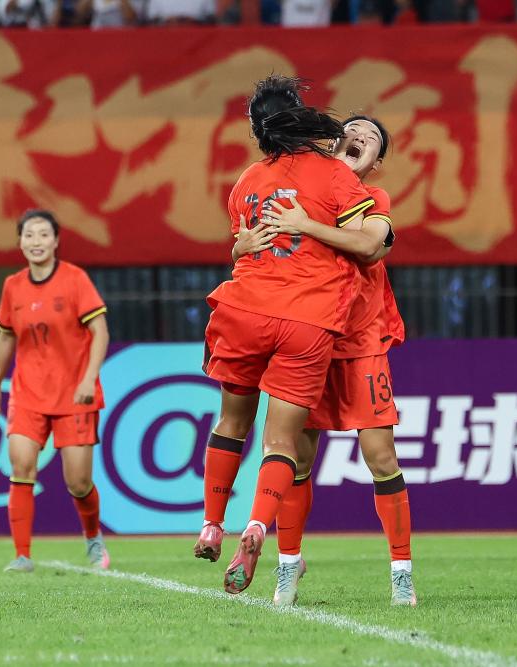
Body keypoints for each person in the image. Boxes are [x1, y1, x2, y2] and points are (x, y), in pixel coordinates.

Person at [196, 75, 386, 595]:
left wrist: (239, 249)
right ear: (300, 115)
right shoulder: (335, 175)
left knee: (231, 422)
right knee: (282, 442)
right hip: (307, 318)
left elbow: (246, 245)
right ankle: (258, 526)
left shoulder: (246, 182)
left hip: (243, 310)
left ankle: (212, 523)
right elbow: (369, 245)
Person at [239, 116, 415, 607]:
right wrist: (240, 245)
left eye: (371, 138)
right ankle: (288, 565)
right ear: (331, 143)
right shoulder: (298, 192)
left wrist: (305, 225)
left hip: (360, 341)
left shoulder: (373, 199)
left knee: (381, 457)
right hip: (307, 337)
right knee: (296, 458)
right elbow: (256, 251)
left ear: (377, 161)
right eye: (351, 130)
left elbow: (369, 247)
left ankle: (401, 571)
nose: (358, 136)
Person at [0, 209, 111, 573]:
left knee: (78, 482)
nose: (36, 242)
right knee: (21, 465)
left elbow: (100, 331)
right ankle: (22, 555)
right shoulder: (13, 286)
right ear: (19, 242)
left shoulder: (75, 279)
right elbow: (6, 337)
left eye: (43, 234)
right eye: (29, 235)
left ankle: (92, 536)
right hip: (27, 393)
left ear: (56, 241)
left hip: (74, 394)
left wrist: (88, 378)